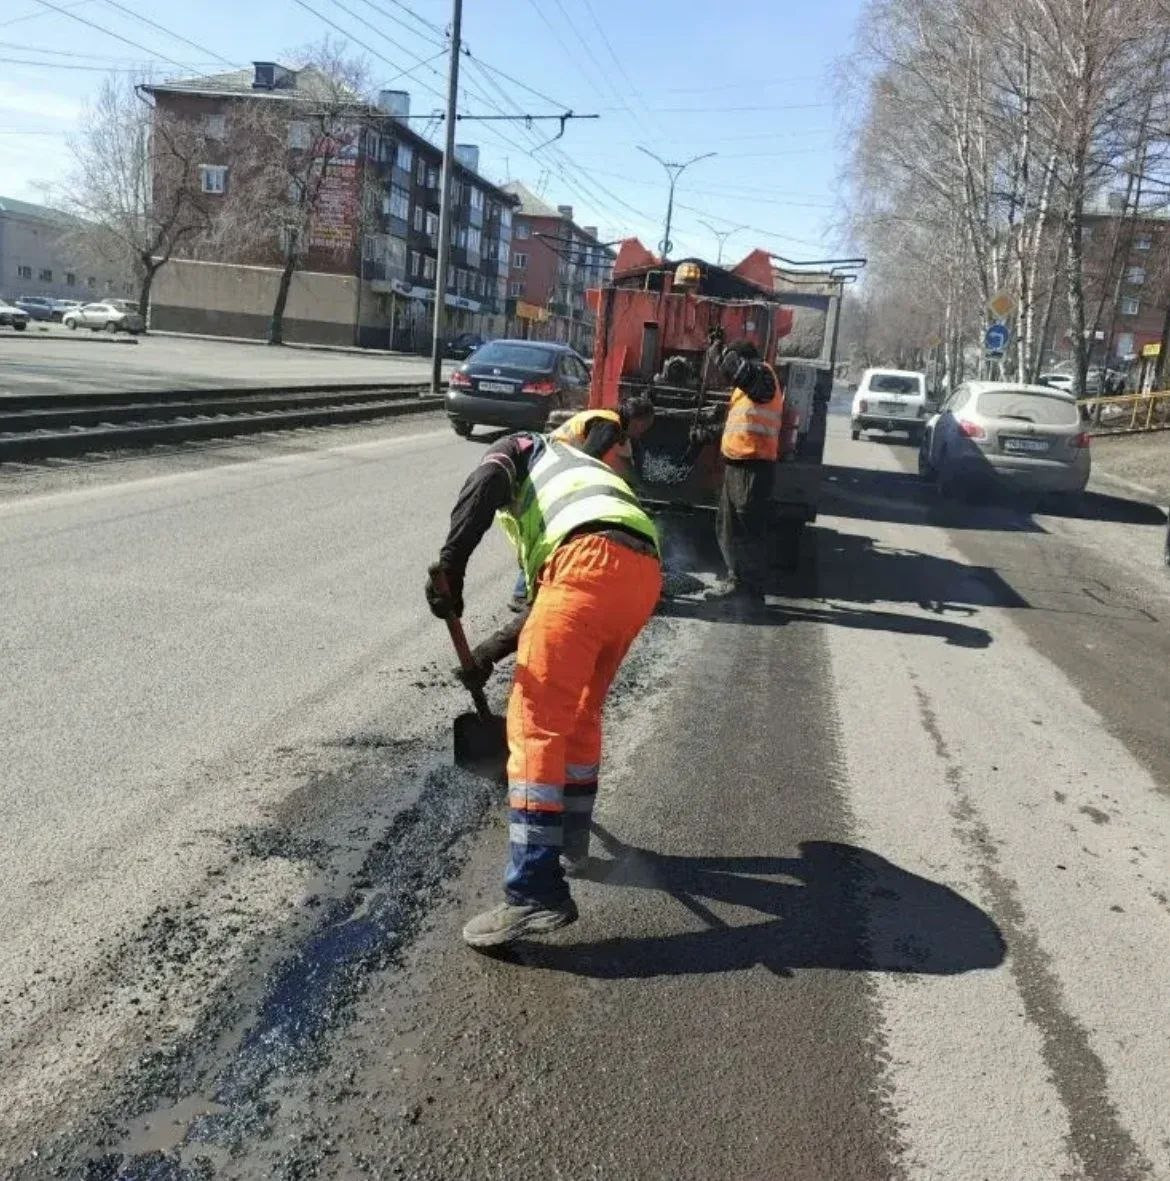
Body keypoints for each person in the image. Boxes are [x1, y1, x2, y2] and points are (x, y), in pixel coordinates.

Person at [426, 431, 662, 949]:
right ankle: (571, 841)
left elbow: (484, 480)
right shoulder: (581, 477)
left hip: (584, 564)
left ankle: (535, 890)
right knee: (580, 714)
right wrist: (486, 654)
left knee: (535, 723)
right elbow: (552, 604)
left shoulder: (523, 448)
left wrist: (451, 566)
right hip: (640, 575)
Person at [506, 396, 657, 610]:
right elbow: (587, 460)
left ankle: (531, 591)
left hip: (552, 468)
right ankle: (522, 594)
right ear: (637, 420)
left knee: (550, 532)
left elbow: (624, 466)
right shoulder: (609, 427)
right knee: (550, 531)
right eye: (646, 426)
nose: (644, 432)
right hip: (551, 472)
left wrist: (641, 491)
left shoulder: (612, 423)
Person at [693, 339, 786, 601]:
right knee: (728, 527)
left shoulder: (764, 375)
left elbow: (739, 371)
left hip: (754, 466)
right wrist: (706, 434)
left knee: (748, 528)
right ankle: (738, 581)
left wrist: (720, 353)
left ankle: (751, 590)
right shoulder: (744, 391)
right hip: (737, 465)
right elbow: (737, 425)